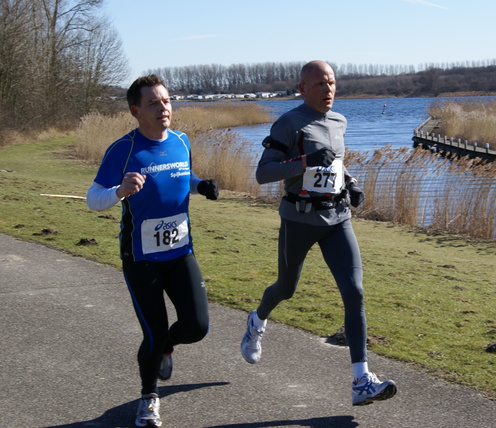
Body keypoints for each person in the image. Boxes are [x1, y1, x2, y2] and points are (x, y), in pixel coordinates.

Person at [240, 60, 397, 406]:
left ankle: (360, 380)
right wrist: (305, 162)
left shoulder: (340, 121)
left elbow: (335, 162)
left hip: (337, 218)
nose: (328, 90)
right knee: (286, 288)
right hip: (299, 220)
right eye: (320, 84)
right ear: (303, 89)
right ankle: (257, 320)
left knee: (354, 292)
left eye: (332, 83)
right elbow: (263, 173)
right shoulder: (289, 123)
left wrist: (351, 183)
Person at [86, 74, 219, 427]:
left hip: (180, 252)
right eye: (153, 103)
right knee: (153, 331)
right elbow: (92, 198)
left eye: (166, 101)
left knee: (197, 327)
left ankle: (166, 347)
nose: (164, 108)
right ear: (135, 111)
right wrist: (119, 191)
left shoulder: (180, 140)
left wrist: (200, 184)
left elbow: (180, 176)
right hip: (141, 259)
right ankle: (148, 399)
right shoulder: (123, 150)